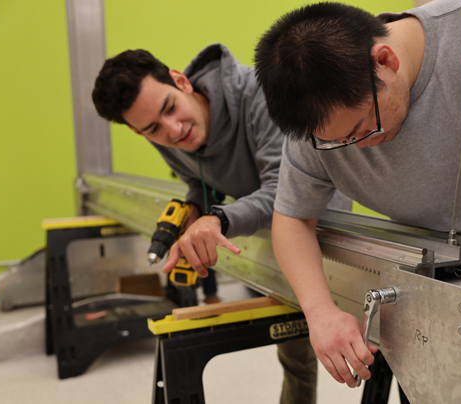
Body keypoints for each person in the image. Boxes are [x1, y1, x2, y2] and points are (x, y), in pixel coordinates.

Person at [92, 44, 349, 403]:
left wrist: (219, 218)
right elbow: (199, 176)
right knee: (293, 344)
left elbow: (286, 191)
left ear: (181, 81)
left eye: (170, 108)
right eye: (152, 128)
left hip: (321, 223)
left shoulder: (259, 93)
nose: (174, 130)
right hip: (260, 226)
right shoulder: (161, 130)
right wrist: (195, 205)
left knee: (349, 337)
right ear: (139, 132)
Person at [254, 0, 461, 394]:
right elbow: (291, 219)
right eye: (339, 142)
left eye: (361, 128)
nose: (361, 147)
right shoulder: (317, 128)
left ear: (384, 60)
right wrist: (319, 314)